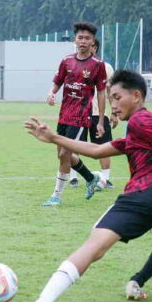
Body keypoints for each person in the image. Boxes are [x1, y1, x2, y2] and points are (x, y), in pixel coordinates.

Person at [5, 70, 152, 302]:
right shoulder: (137, 133)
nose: (113, 105)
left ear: (137, 96)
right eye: (111, 98)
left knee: (93, 247)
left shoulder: (142, 120)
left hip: (144, 195)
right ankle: (137, 282)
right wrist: (53, 138)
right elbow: (97, 151)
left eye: (117, 98)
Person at [44, 22, 107, 206]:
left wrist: (101, 121)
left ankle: (56, 195)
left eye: (87, 38)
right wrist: (51, 92)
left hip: (81, 116)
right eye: (80, 37)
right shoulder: (67, 61)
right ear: (75, 39)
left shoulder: (98, 65)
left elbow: (102, 93)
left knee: (65, 153)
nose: (83, 41)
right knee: (62, 155)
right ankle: (90, 178)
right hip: (64, 114)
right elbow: (58, 81)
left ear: (92, 41)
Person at [70, 39, 118, 190]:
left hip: (99, 114)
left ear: (94, 48)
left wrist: (114, 113)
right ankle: (73, 177)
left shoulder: (106, 67)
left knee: (104, 147)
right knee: (75, 145)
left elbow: (112, 92)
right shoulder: (73, 65)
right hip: (79, 113)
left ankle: (106, 179)